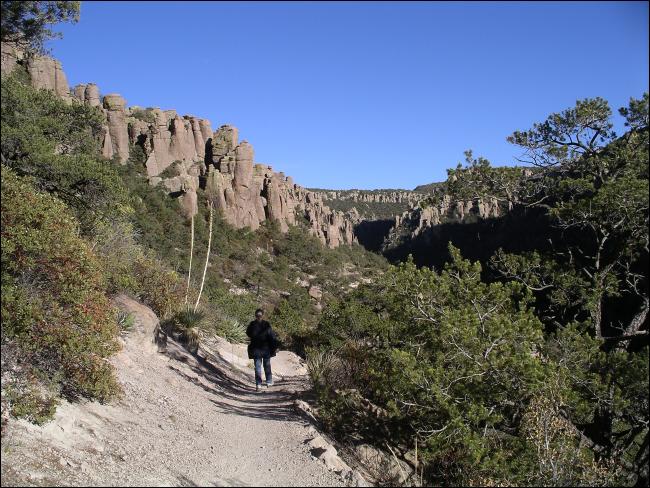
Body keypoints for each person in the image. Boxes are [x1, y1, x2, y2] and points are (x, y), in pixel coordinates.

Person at [246, 308, 279, 392]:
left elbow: (248, 333)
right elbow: (271, 336)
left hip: (256, 349)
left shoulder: (252, 324)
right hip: (265, 349)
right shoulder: (266, 324)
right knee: (266, 365)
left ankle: (258, 385)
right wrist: (275, 347)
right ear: (262, 315)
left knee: (258, 367)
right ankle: (269, 382)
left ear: (255, 315)